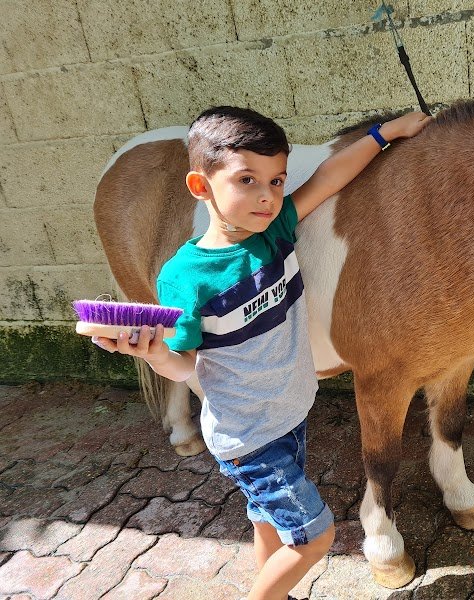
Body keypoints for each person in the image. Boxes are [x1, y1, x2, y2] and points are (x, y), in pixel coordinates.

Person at [92, 105, 432, 600]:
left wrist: (386, 133)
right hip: (248, 434)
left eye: (276, 181)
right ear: (201, 187)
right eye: (247, 180)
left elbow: (332, 175)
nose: (267, 196)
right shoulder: (185, 280)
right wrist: (152, 354)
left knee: (266, 519)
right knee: (316, 537)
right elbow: (183, 363)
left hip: (289, 412)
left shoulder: (273, 232)